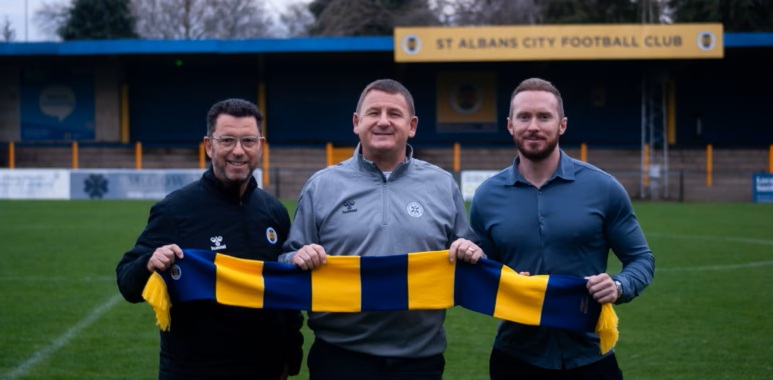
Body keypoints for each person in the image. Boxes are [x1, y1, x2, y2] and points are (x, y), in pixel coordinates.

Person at [279, 78, 483, 380]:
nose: (383, 121)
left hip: (419, 360)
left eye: (394, 114)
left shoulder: (441, 184)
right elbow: (287, 259)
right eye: (374, 113)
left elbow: (468, 253)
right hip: (339, 356)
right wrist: (298, 256)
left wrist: (471, 250)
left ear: (411, 125)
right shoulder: (321, 185)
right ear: (356, 122)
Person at [470, 77, 655, 379]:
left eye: (544, 116)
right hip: (514, 358)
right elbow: (482, 270)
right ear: (510, 125)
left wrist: (618, 285)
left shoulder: (603, 187)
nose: (533, 126)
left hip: (590, 358)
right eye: (524, 117)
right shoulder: (487, 196)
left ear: (562, 124)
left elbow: (642, 259)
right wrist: (477, 262)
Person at [116, 98, 303, 380]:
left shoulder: (273, 211)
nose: (238, 151)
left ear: (260, 146)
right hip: (196, 371)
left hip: (264, 369)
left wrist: (291, 354)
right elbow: (127, 283)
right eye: (227, 140)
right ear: (208, 145)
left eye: (248, 141)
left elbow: (286, 291)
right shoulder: (175, 210)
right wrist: (149, 263)